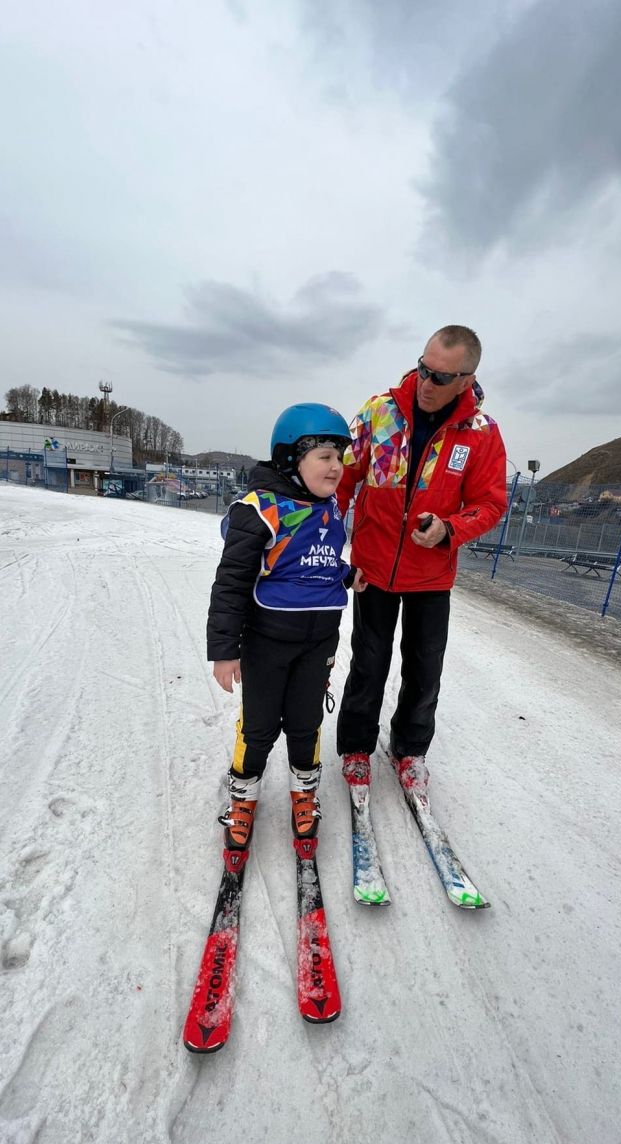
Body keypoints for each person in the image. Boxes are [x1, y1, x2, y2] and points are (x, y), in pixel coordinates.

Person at [335, 324, 507, 793]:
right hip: (373, 567)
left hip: (431, 575)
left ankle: (409, 750)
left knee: (424, 666)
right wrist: (330, 545)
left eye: (441, 377)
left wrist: (450, 529)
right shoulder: (379, 411)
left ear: (467, 380)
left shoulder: (481, 434)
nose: (427, 383)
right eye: (423, 369)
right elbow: (343, 478)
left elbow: (490, 504)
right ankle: (355, 747)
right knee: (368, 662)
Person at [207, 403, 366, 852]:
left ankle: (303, 792)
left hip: (318, 642)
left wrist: (346, 575)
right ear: (290, 460)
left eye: (340, 457)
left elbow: (313, 562)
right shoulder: (260, 509)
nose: (337, 467)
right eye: (325, 456)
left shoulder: (329, 508)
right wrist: (224, 649)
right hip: (266, 643)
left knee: (305, 721)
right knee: (258, 727)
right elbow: (231, 582)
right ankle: (243, 796)